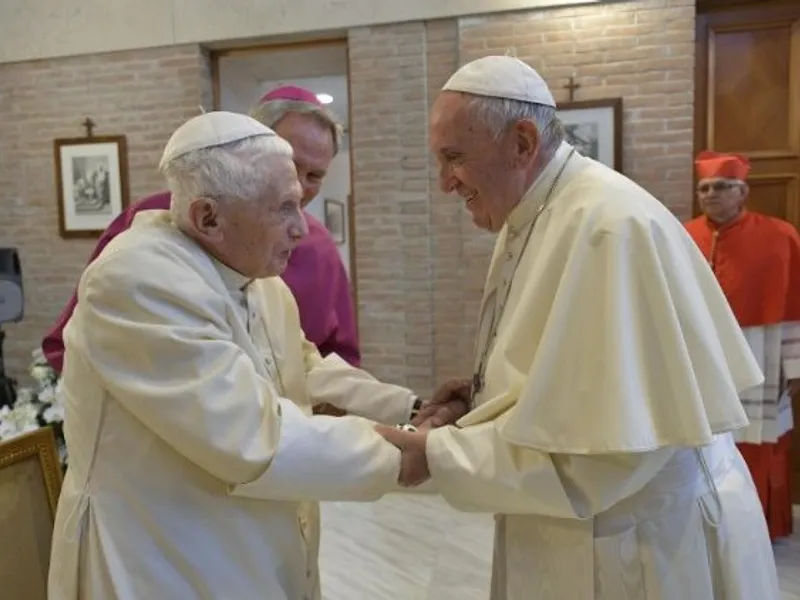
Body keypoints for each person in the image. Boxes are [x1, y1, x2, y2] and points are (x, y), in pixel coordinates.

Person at [381, 55, 782, 599]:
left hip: (641, 543)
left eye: (454, 158)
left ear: (521, 143)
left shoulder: (609, 228)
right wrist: (478, 403)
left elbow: (609, 455)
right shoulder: (533, 213)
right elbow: (562, 385)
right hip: (583, 531)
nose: (444, 184)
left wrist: (436, 455)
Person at [47, 111, 451, 600]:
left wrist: (409, 407)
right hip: (160, 553)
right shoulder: (137, 278)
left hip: (239, 537)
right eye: (283, 208)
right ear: (209, 218)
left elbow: (302, 367)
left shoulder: (255, 277)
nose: (301, 229)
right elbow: (248, 435)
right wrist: (404, 454)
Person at [41, 84, 359, 377]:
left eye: (315, 175)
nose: (299, 187)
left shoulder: (319, 247)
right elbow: (82, 344)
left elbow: (330, 359)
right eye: (288, 162)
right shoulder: (149, 222)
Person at [685, 150, 800, 541]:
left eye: (721, 187)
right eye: (704, 188)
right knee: (703, 440)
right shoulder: (684, 236)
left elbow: (795, 304)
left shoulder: (781, 236)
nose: (711, 194)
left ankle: (764, 525)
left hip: (761, 350)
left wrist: (795, 366)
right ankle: (709, 522)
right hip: (701, 354)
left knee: (760, 440)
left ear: (743, 191)